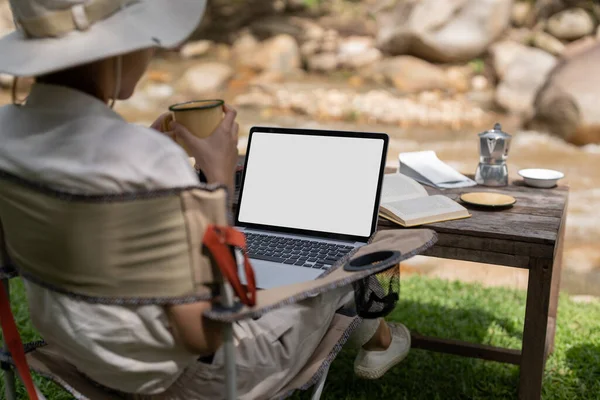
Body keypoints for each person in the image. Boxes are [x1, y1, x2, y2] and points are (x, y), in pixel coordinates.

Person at [0, 0, 411, 398]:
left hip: (79, 356)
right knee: (344, 269)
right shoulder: (151, 160)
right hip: (196, 380)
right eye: (145, 34)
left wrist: (143, 149)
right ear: (116, 51)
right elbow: (206, 331)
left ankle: (377, 338)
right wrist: (217, 181)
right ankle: (382, 338)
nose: (153, 46)